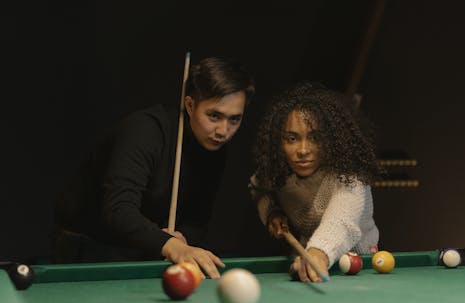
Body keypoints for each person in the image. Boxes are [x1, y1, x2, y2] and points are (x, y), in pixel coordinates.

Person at [52, 57, 255, 278]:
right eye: (214, 116)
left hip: (144, 248)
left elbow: (198, 219)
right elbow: (118, 210)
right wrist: (172, 246)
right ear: (190, 105)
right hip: (88, 247)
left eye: (234, 119)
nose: (223, 131)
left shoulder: (215, 147)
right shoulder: (145, 131)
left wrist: (182, 238)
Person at [249, 81, 380, 283]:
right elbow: (258, 187)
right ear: (279, 142)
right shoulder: (279, 171)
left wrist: (318, 252)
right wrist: (272, 212)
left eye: (315, 138)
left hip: (360, 265)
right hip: (309, 262)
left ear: (330, 139)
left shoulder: (349, 176)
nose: (303, 150)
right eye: (291, 139)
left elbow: (341, 221)